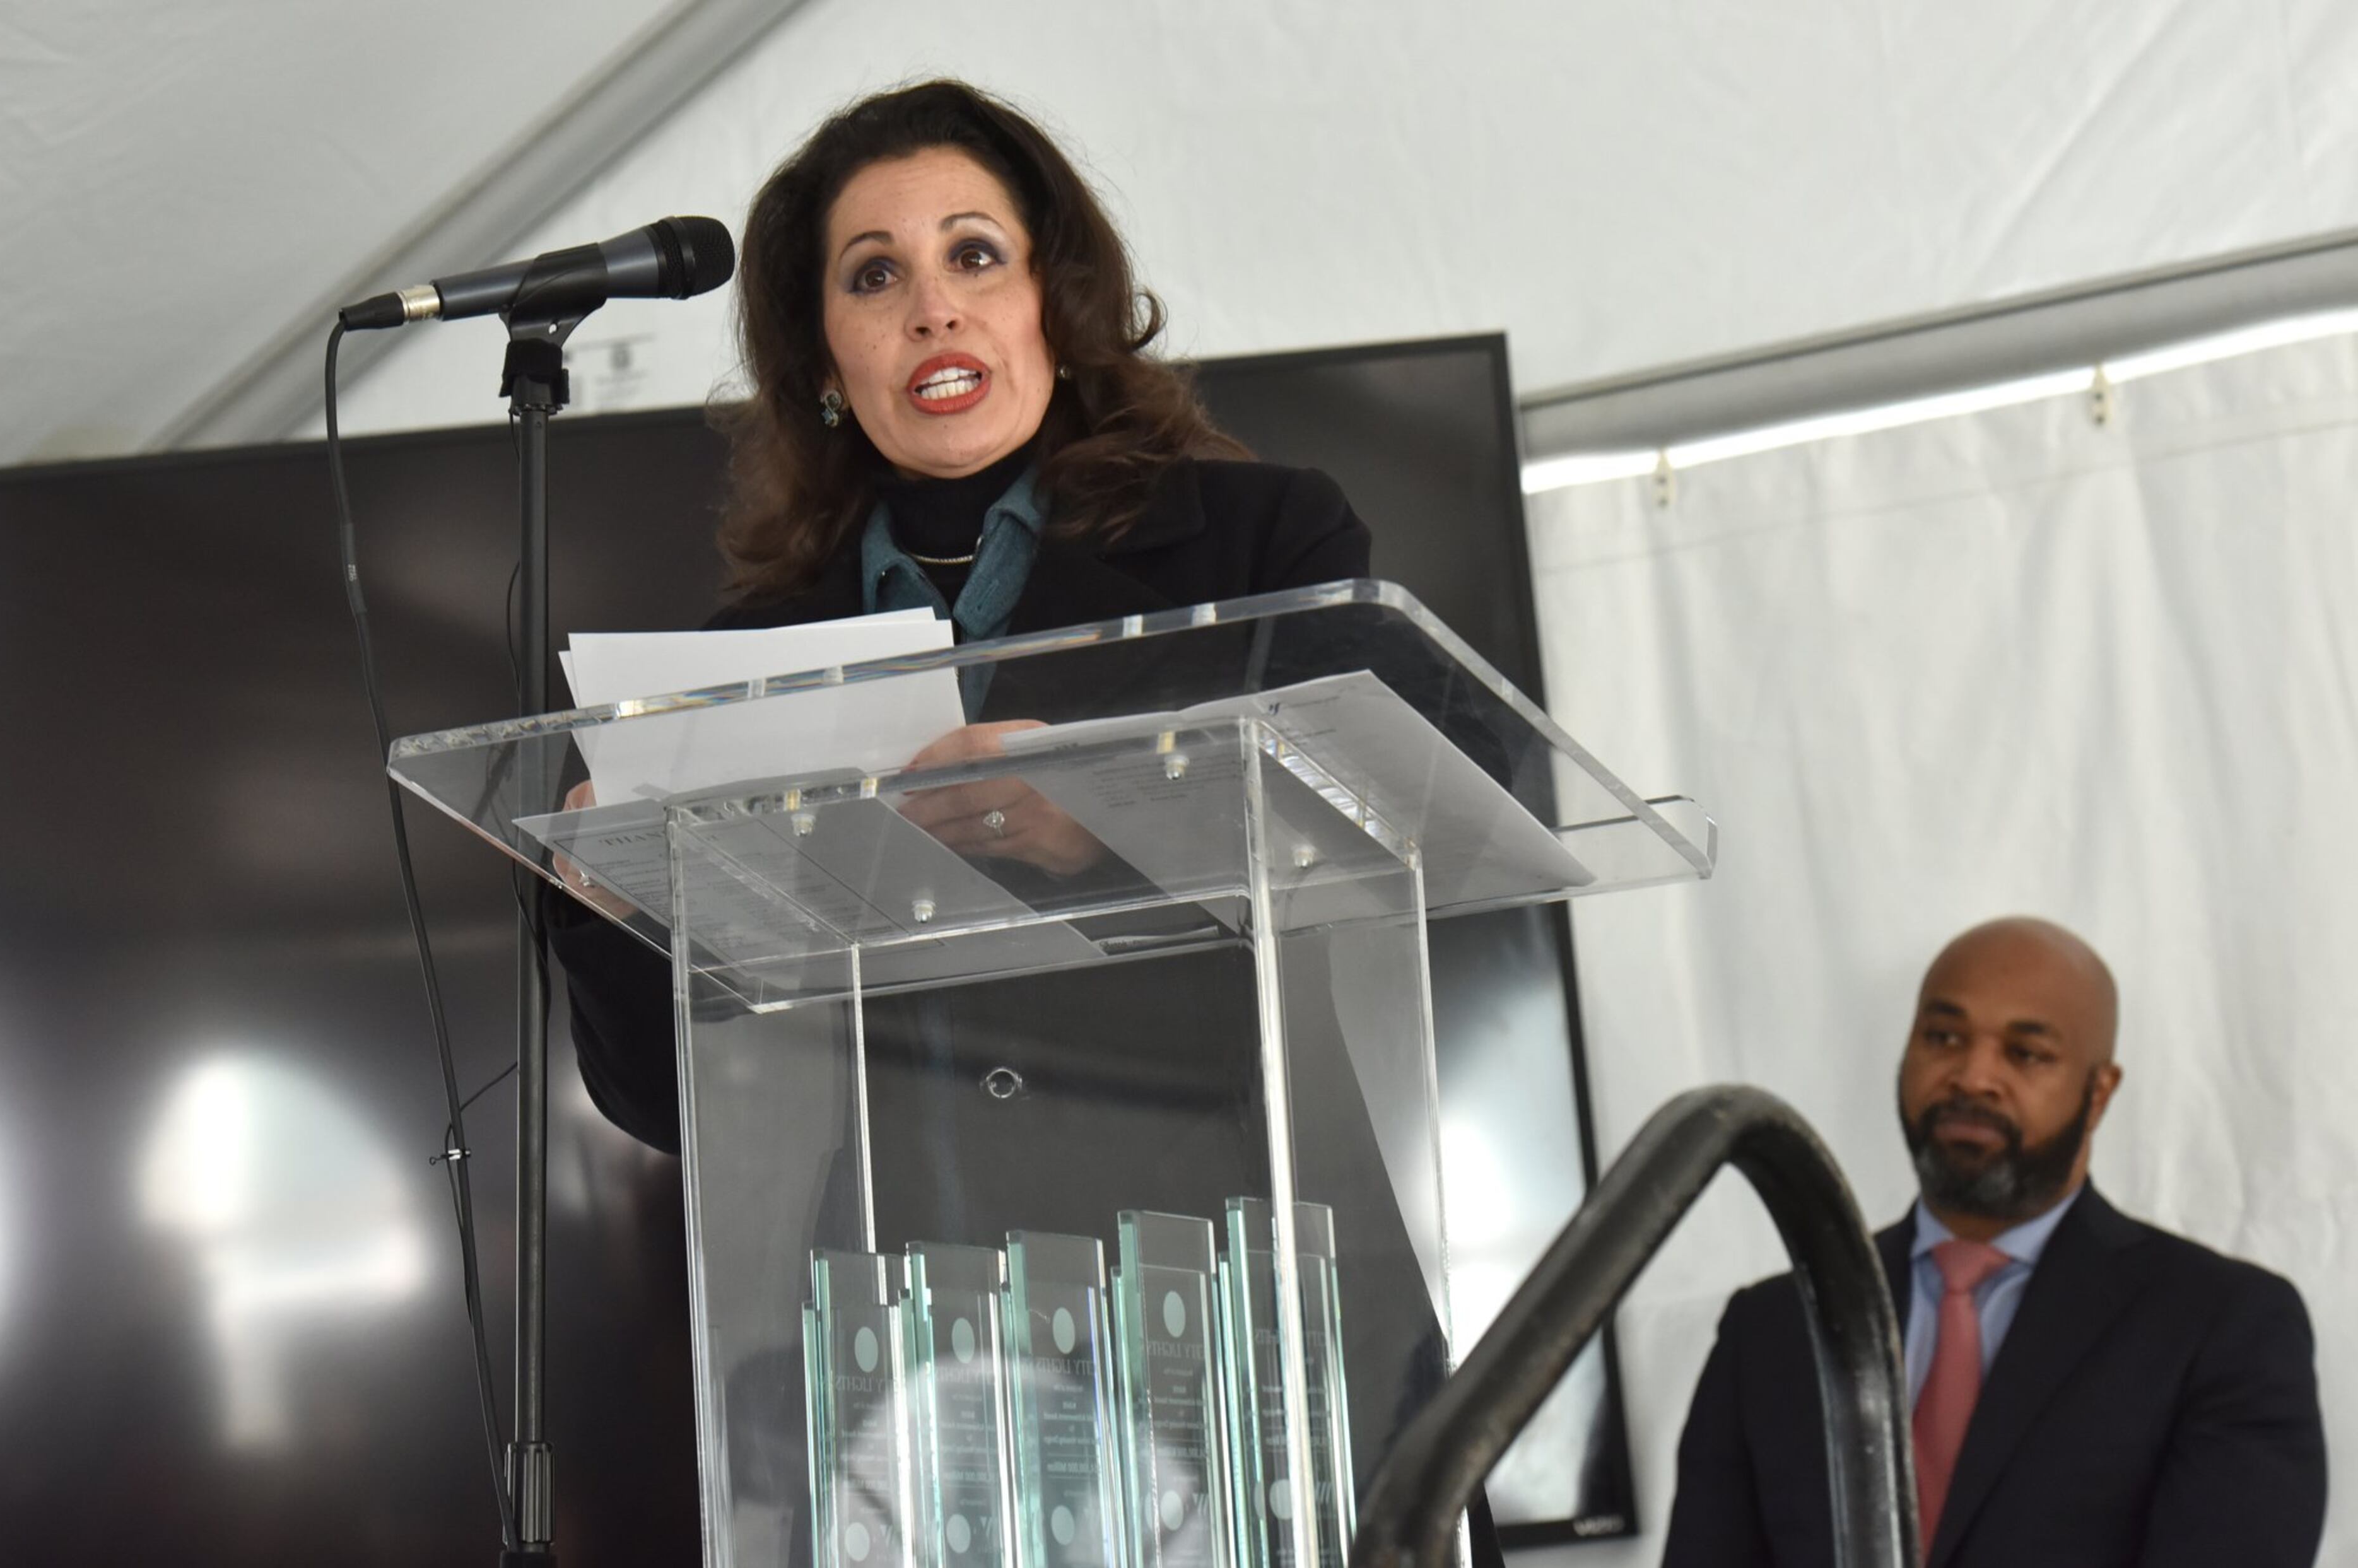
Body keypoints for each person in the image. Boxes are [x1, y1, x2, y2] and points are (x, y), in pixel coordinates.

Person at [543, 80, 1504, 1564]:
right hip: (909, 1369)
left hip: (1235, 1314)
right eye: (876, 275)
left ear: (1057, 298)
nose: (934, 310)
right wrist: (611, 904)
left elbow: (1415, 808)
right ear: (818, 357)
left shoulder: (1264, 543)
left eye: (973, 256)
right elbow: (685, 1105)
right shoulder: (736, 663)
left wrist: (1105, 819)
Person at [1661, 917, 2325, 1567]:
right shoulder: (1772, 1328)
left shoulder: (2222, 1324)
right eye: (1944, 1036)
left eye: (2026, 1051)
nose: (1973, 1076)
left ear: (2099, 1093)